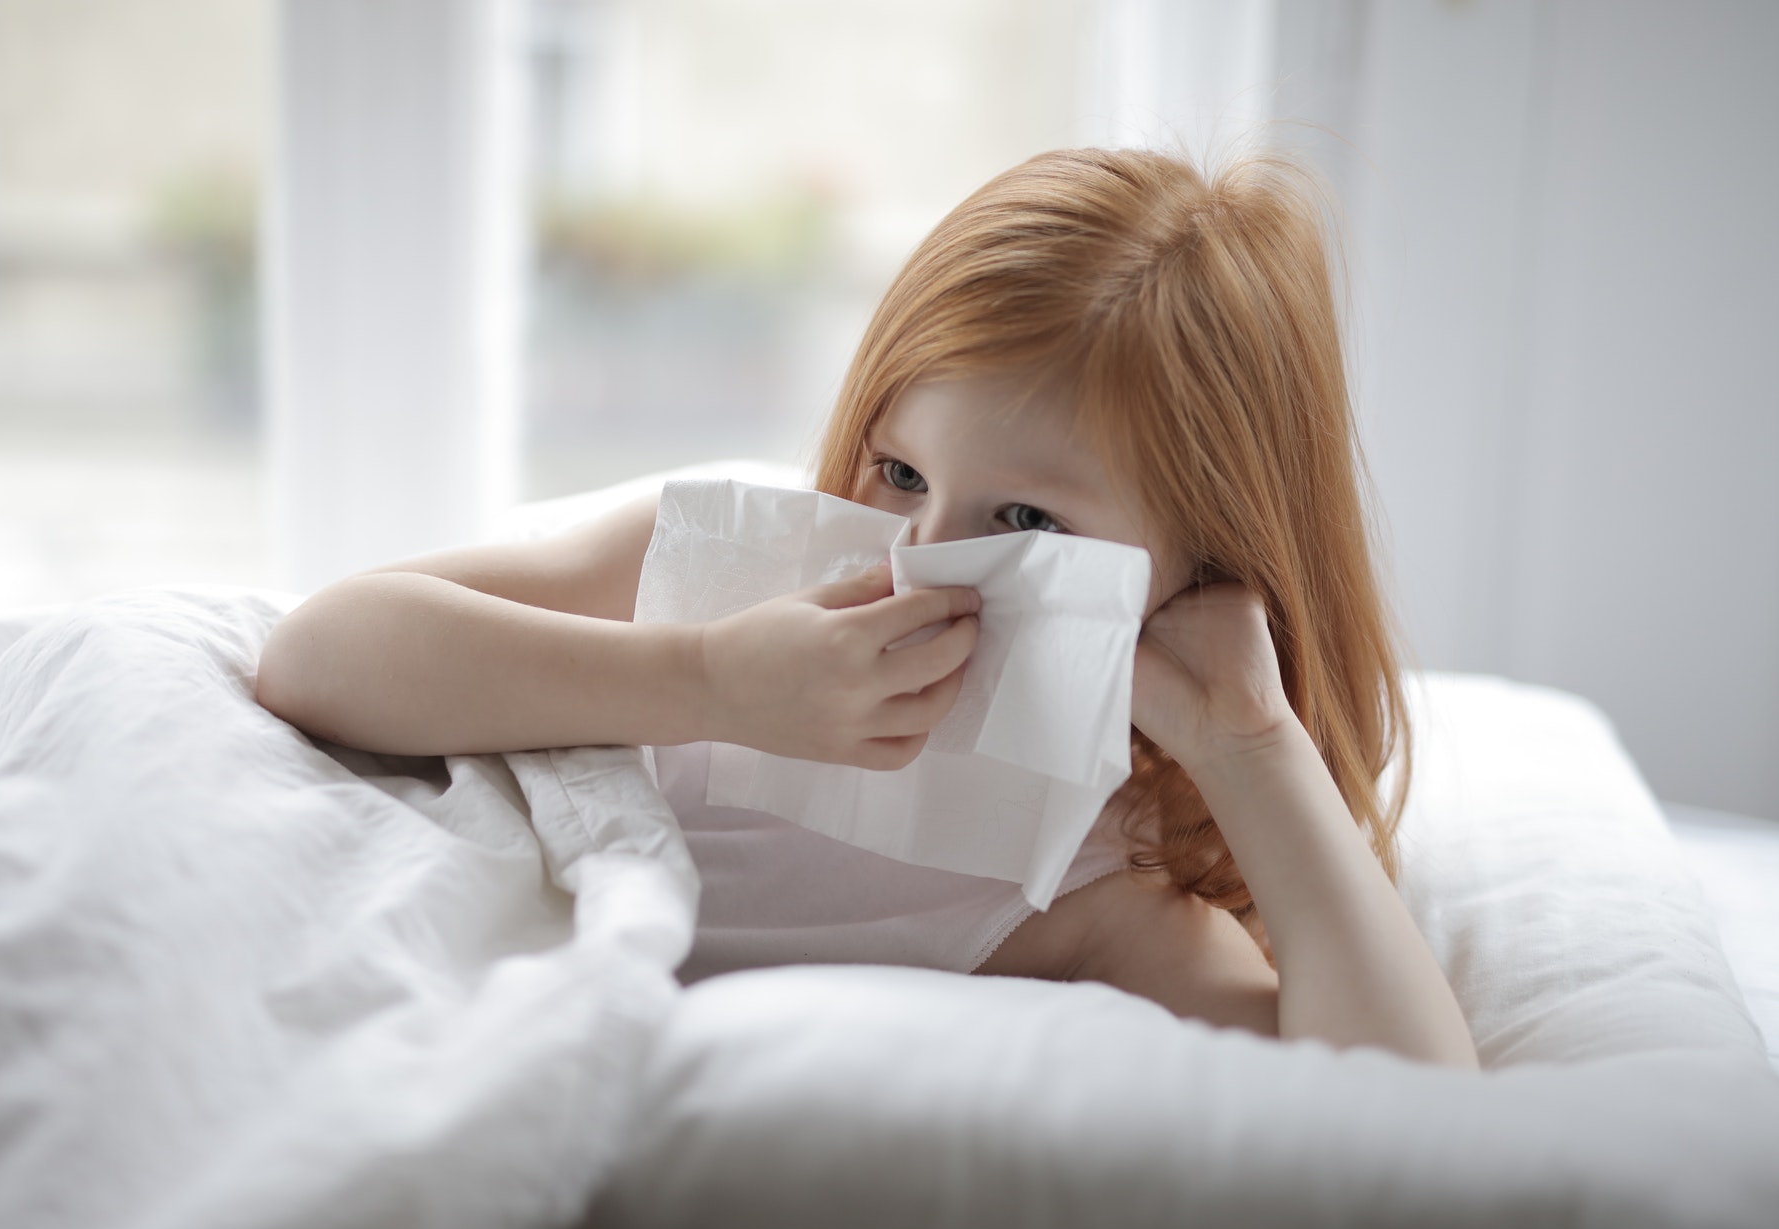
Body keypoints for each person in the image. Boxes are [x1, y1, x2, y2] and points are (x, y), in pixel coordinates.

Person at [257, 147, 1479, 1070]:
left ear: (1202, 571)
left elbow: (1405, 1122)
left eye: (1026, 524)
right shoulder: (733, 574)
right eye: (899, 473)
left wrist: (1251, 748)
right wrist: (706, 681)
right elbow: (319, 654)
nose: (918, 560)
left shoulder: (1099, 897)